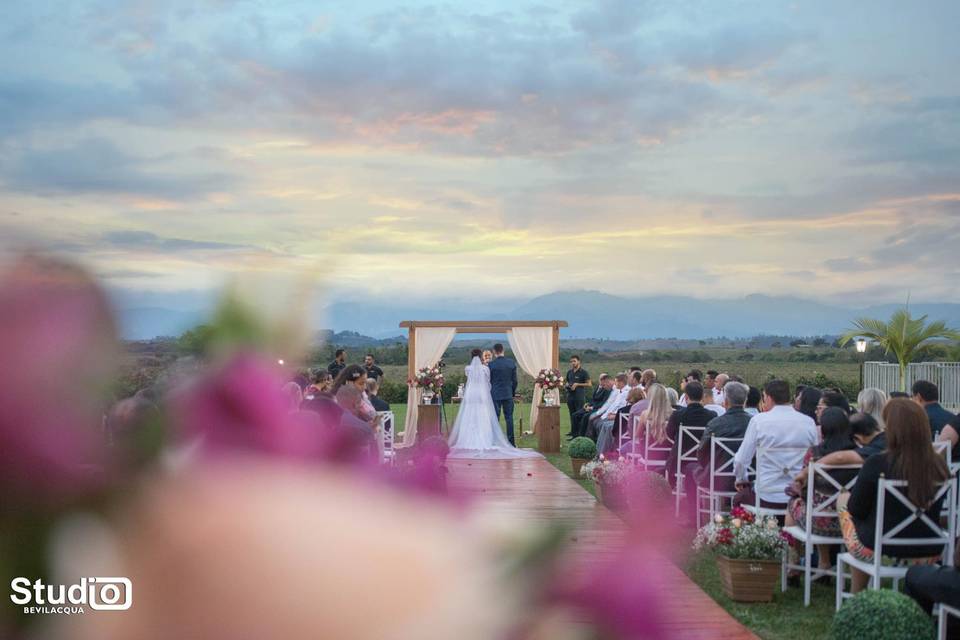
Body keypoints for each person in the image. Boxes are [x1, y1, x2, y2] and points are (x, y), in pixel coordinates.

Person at [839, 398, 950, 594]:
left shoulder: (877, 463)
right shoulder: (940, 467)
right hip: (930, 550)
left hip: (882, 550)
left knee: (844, 501)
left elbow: (856, 509)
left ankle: (859, 594)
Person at [784, 407, 859, 575]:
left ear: (823, 429)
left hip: (819, 522)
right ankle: (824, 561)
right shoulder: (858, 454)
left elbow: (803, 487)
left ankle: (794, 563)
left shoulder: (815, 453)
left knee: (792, 506)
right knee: (817, 507)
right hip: (851, 521)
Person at [733, 380, 818, 510]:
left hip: (766, 495)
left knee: (739, 498)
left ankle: (757, 529)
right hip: (798, 494)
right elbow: (816, 457)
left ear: (768, 397)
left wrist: (741, 478)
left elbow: (741, 460)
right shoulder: (808, 422)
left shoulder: (758, 421)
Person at [447, 350, 540, 459]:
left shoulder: (467, 369)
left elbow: (470, 380)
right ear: (481, 356)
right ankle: (484, 440)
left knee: (470, 415)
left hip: (471, 393)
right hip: (481, 393)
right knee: (482, 415)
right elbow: (487, 382)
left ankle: (467, 440)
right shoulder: (485, 369)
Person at [685, 382, 752, 505]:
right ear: (745, 401)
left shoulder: (715, 424)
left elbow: (701, 454)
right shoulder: (754, 423)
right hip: (749, 480)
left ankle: (694, 516)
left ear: (725, 402)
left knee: (690, 468)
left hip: (718, 480)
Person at [664, 381, 717, 489]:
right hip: (703, 461)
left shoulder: (677, 415)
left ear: (686, 396)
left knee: (671, 456)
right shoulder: (712, 415)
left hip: (680, 461)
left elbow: (669, 435)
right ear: (702, 396)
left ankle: (671, 489)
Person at [630, 383, 673, 465]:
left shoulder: (645, 414)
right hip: (669, 453)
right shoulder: (674, 414)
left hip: (650, 453)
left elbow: (638, 435)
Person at [487, 344, 519, 446]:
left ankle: (494, 442)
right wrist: (512, 392)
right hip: (508, 394)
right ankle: (511, 443)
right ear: (503, 350)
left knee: (495, 418)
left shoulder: (491, 365)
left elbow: (489, 381)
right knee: (509, 418)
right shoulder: (511, 363)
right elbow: (515, 381)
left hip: (495, 394)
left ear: (494, 352)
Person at [597, 386, 643, 454]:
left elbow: (616, 430)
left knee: (608, 430)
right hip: (641, 438)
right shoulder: (645, 409)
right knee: (607, 427)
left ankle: (601, 454)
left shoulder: (622, 410)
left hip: (622, 438)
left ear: (629, 397)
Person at [585, 373, 629, 441]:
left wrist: (607, 415)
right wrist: (602, 414)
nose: (603, 387)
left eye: (616, 381)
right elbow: (610, 405)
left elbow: (618, 407)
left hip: (616, 416)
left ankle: (598, 443)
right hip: (610, 414)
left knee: (599, 423)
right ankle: (592, 441)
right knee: (594, 420)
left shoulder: (623, 392)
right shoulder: (618, 391)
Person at [570, 374, 612, 439]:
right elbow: (593, 399)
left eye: (602, 380)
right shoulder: (598, 387)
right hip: (591, 406)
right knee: (575, 415)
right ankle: (574, 435)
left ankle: (582, 436)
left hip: (597, 408)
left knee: (585, 417)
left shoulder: (607, 389)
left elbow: (603, 403)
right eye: (600, 379)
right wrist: (587, 404)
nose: (601, 381)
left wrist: (592, 407)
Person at [565, 355, 591, 428]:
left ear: (579, 361)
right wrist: (566, 385)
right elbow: (567, 382)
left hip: (579, 397)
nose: (573, 363)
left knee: (579, 414)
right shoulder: (569, 372)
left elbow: (589, 384)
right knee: (571, 414)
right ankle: (573, 432)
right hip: (570, 396)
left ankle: (579, 433)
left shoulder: (584, 372)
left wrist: (577, 384)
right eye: (571, 362)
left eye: (574, 361)